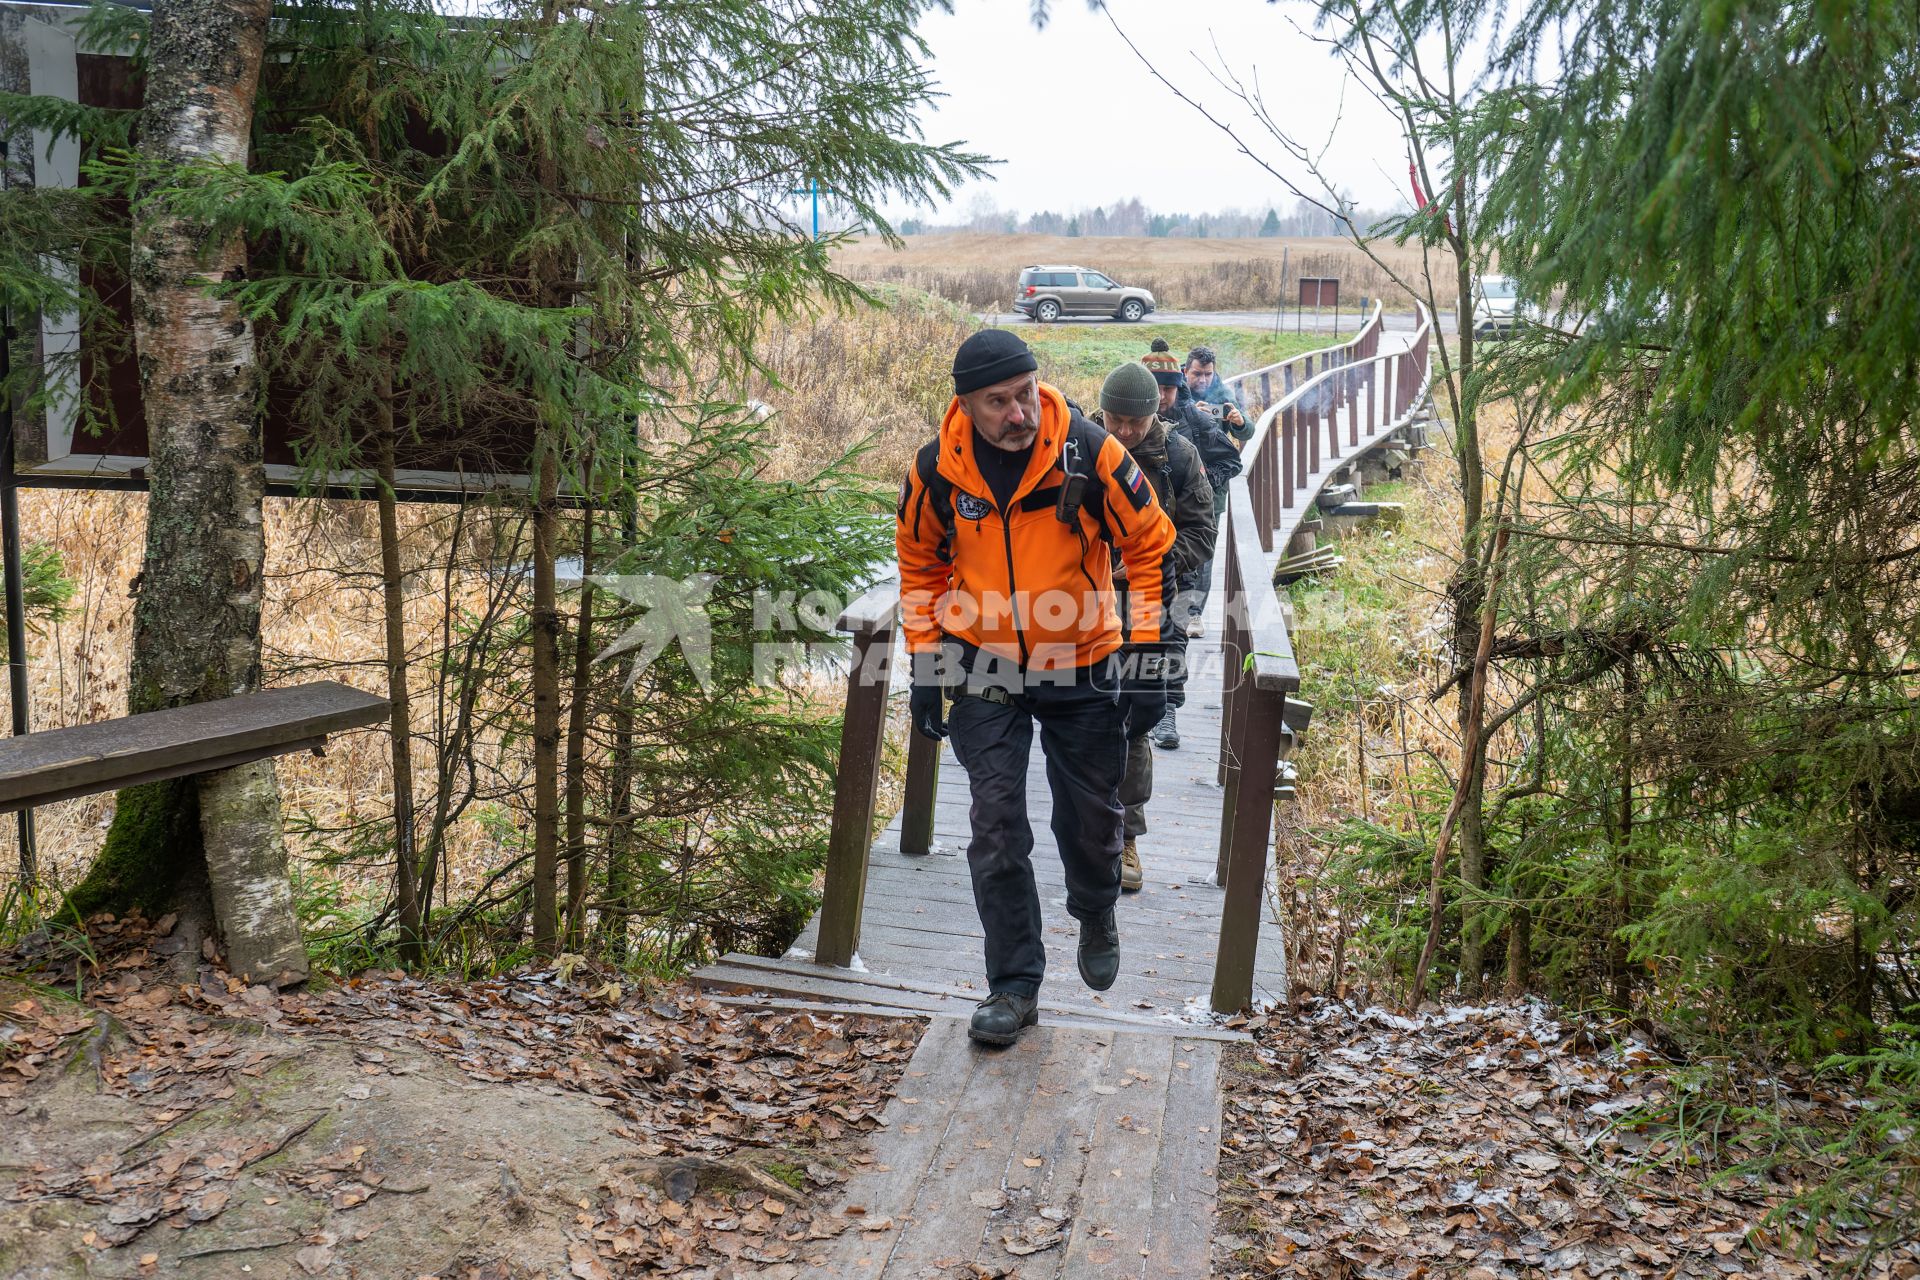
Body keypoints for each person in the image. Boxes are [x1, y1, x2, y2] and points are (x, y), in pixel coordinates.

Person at [896, 329, 1178, 1047]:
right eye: (998, 403)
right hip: (985, 664)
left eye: (1025, 394)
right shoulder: (936, 471)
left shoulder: (1089, 452)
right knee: (994, 828)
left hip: (1082, 660)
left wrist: (1148, 656)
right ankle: (1013, 986)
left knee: (1088, 822)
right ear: (966, 406)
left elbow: (1151, 549)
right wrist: (927, 666)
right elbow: (920, 564)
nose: (1018, 413)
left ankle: (1096, 904)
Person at [1088, 361, 1215, 889]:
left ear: (1152, 415)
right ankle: (1086, 831)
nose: (1122, 432)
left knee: (1135, 722)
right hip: (1083, 608)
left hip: (1153, 609)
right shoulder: (1083, 447)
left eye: (1132, 424)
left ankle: (1127, 841)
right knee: (1080, 719)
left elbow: (1201, 534)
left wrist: (1151, 562)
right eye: (1114, 420)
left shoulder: (1179, 457)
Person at [1145, 344, 1240, 645]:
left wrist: (1203, 483)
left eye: (1168, 389)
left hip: (1187, 519)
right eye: (1156, 388)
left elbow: (1231, 460)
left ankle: (1192, 614)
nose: (1162, 396)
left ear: (1178, 386)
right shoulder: (1128, 420)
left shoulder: (1193, 419)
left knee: (1197, 566)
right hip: (1144, 524)